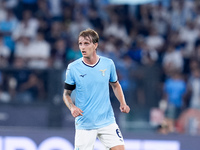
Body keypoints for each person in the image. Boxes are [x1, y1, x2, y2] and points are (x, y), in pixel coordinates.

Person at [63, 28, 130, 150]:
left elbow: (115, 85)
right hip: (85, 123)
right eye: (80, 44)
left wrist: (123, 103)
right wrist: (72, 107)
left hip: (107, 121)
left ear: (95, 45)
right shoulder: (73, 68)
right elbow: (66, 94)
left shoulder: (108, 64)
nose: (82, 47)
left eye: (86, 43)